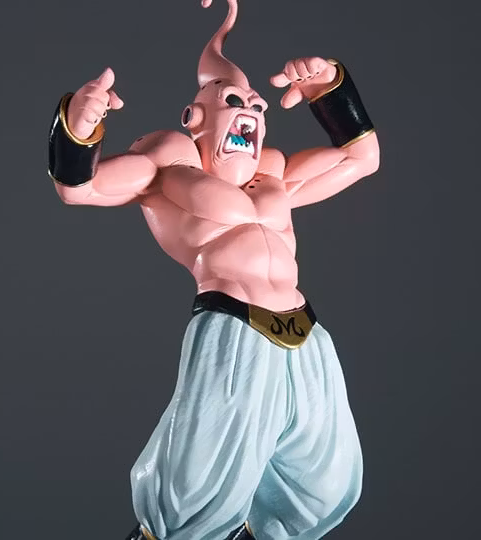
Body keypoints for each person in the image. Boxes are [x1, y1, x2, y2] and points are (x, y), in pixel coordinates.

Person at [46, 1, 379, 538]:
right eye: (234, 102)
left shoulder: (273, 171)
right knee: (196, 487)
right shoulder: (170, 162)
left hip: (304, 332)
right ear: (194, 117)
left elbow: (362, 159)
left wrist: (329, 90)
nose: (251, 112)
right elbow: (80, 188)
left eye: (257, 107)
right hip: (234, 327)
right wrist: (80, 126)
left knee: (326, 485)